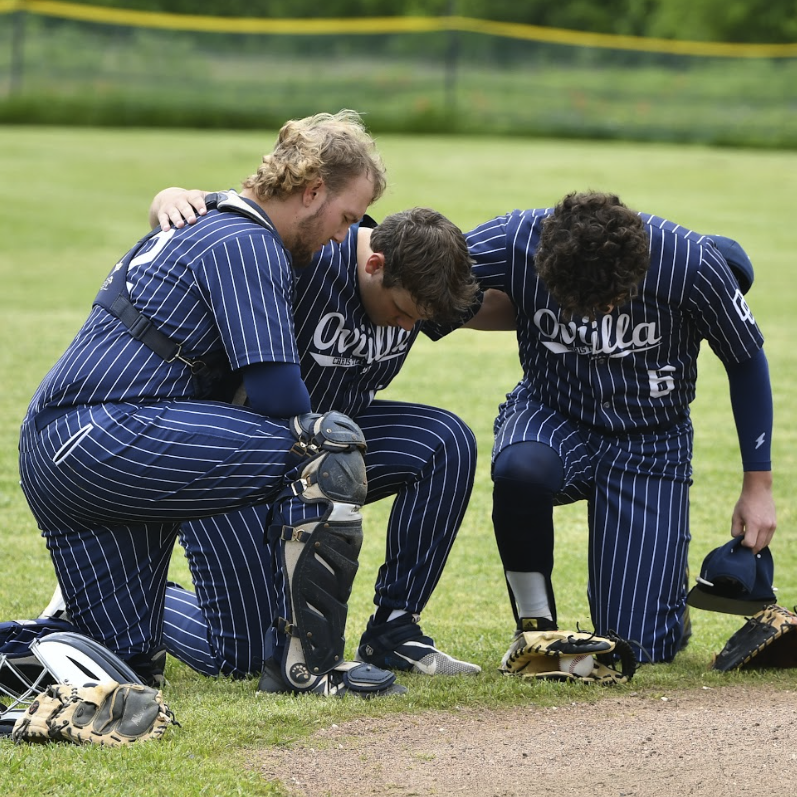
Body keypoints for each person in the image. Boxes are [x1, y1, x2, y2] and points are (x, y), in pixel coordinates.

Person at [18, 110, 419, 698]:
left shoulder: (215, 220)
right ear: (311, 192)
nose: (344, 235)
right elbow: (279, 399)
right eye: (347, 217)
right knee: (324, 444)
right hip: (112, 432)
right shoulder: (248, 241)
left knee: (122, 667)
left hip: (64, 450)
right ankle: (310, 668)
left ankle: (41, 637)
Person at [142, 187, 495, 680]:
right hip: (242, 463)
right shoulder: (311, 255)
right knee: (245, 659)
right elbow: (248, 214)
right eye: (402, 311)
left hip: (332, 452)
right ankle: (132, 599)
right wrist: (176, 196)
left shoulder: (423, 280)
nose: (410, 326)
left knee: (445, 440)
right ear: (374, 265)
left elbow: (510, 282)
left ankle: (395, 629)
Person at [439, 191, 776, 667]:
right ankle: (536, 629)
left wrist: (757, 487)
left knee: (640, 649)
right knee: (521, 470)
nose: (592, 319)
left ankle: (662, 603)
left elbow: (746, 362)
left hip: (650, 438)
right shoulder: (516, 239)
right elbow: (429, 273)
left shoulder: (692, 263)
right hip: (553, 411)